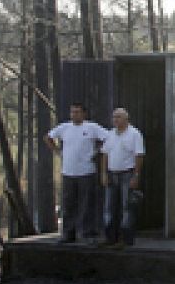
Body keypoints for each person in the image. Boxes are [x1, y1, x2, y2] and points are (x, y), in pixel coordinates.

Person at [45, 102, 106, 243]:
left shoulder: (92, 127)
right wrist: (57, 151)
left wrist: (97, 151)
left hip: (86, 171)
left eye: (78, 112)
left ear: (84, 114)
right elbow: (48, 137)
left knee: (87, 203)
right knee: (68, 204)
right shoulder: (64, 127)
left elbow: (107, 138)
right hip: (68, 172)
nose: (74, 115)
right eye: (72, 112)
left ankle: (87, 232)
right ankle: (68, 233)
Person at [99, 107, 146, 247]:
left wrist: (136, 176)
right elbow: (105, 154)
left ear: (126, 119)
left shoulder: (134, 134)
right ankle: (110, 238)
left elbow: (139, 156)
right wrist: (103, 173)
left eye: (118, 117)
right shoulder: (110, 134)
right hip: (112, 174)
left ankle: (126, 239)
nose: (115, 120)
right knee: (109, 207)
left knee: (127, 207)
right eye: (114, 117)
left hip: (127, 173)